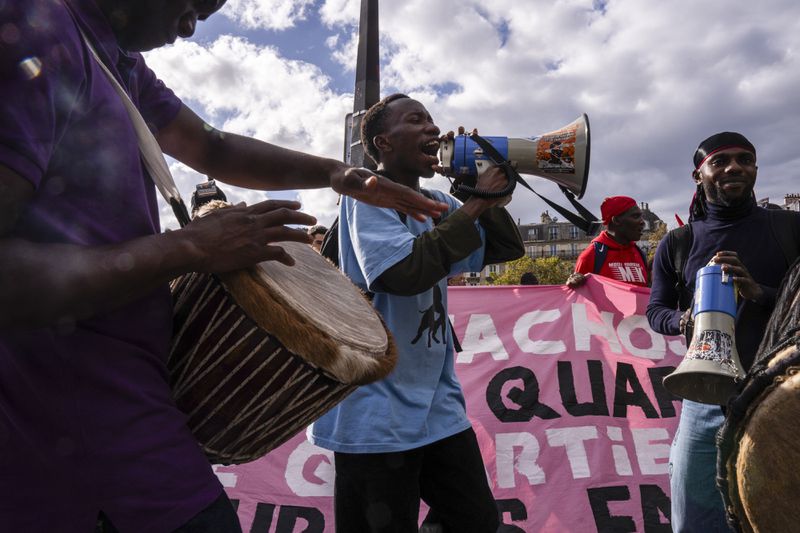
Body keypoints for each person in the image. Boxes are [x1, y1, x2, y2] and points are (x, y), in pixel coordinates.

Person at [0, 2, 447, 531]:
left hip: (128, 396)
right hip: (69, 416)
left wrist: (337, 174)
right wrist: (188, 249)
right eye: (192, 4)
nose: (190, 25)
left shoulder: (115, 60)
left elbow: (210, 144)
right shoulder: (33, 25)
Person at [308, 93, 524, 532]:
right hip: (375, 412)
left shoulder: (435, 198)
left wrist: (477, 186)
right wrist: (477, 205)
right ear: (383, 142)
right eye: (416, 120)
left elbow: (503, 247)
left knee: (476, 521)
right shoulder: (365, 195)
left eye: (432, 119)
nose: (433, 128)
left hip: (436, 405)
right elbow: (403, 273)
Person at [647, 132, 800, 532]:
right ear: (699, 175)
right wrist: (685, 319)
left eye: (744, 160)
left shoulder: (790, 229)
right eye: (721, 161)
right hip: (706, 399)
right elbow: (656, 310)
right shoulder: (678, 242)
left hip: (786, 398)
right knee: (694, 521)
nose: (734, 167)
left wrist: (761, 294)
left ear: (755, 170)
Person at [566, 195, 648, 288]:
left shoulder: (639, 253)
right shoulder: (591, 256)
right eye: (636, 216)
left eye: (641, 216)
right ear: (616, 220)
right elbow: (580, 300)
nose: (642, 222)